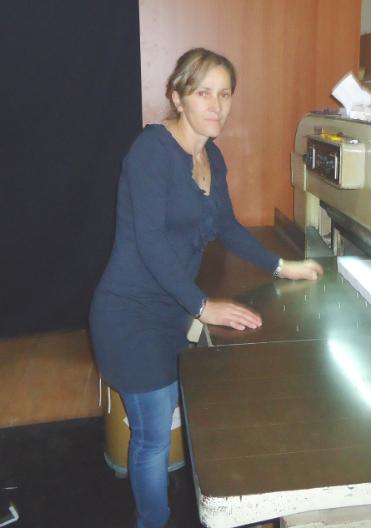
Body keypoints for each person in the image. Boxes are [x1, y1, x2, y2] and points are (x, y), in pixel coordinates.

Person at [90, 48, 323, 528]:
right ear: (178, 98)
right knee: (152, 436)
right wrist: (202, 305)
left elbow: (227, 226)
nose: (216, 105)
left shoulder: (211, 155)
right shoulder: (150, 152)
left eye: (225, 94)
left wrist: (283, 266)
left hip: (170, 309)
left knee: (171, 415)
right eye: (203, 93)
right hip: (130, 314)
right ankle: (152, 521)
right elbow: (150, 243)